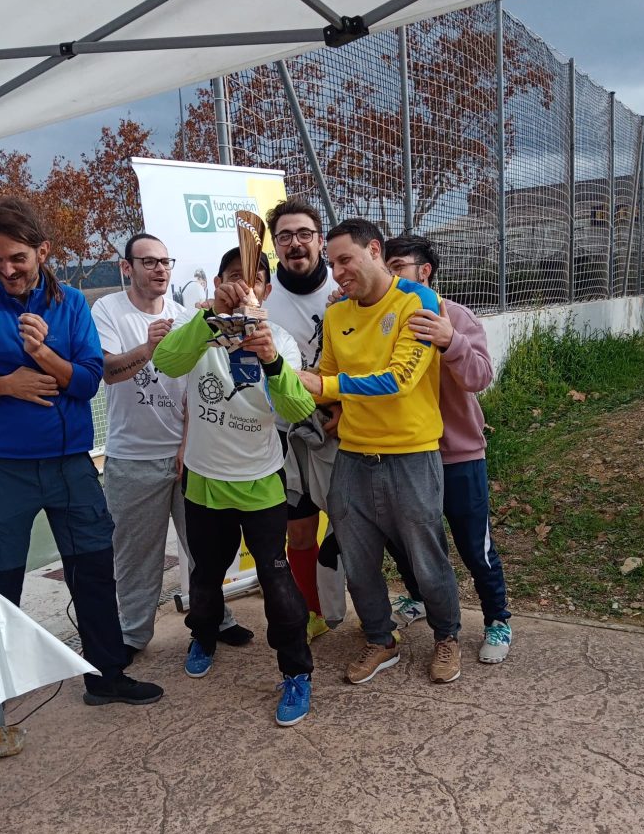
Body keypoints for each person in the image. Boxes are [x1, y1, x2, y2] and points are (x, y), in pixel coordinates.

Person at [0, 196, 162, 706]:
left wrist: (42, 354)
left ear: (42, 251)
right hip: (1, 469)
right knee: (0, 582)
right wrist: (3, 386)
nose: (6, 269)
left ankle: (106, 676)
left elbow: (87, 382)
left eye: (17, 258)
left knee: (93, 568)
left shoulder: (72, 306)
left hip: (68, 464)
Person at [153, 246, 317, 726]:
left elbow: (297, 411)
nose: (243, 286)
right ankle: (202, 635)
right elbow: (166, 360)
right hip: (205, 482)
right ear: (220, 284)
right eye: (232, 278)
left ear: (265, 289)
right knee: (206, 574)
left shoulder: (281, 342)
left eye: (253, 280)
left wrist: (269, 361)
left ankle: (296, 672)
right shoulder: (199, 332)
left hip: (261, 483)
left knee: (275, 577)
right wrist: (209, 320)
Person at [297, 218, 463, 686]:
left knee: (427, 559)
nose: (338, 272)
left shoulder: (418, 302)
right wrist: (287, 381)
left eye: (345, 260)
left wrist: (324, 385)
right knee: (358, 559)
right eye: (332, 264)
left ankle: (446, 636)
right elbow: (324, 374)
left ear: (374, 250)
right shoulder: (337, 315)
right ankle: (380, 638)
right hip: (352, 454)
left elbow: (398, 379)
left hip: (411, 454)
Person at [91, 234, 251, 661]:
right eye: (148, 262)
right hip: (131, 458)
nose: (160, 269)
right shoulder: (107, 310)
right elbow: (108, 372)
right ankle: (133, 634)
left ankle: (215, 620)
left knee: (205, 551)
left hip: (188, 456)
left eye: (165, 261)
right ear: (127, 268)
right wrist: (148, 348)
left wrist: (186, 444)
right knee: (135, 556)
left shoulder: (187, 317)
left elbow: (194, 393)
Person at [384, 234, 512, 663]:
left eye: (397, 266)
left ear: (424, 273)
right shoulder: (380, 319)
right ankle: (419, 598)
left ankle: (497, 619)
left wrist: (449, 339)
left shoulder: (457, 316)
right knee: (408, 542)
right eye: (385, 267)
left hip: (457, 456)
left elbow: (479, 377)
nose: (389, 275)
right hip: (405, 455)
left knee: (475, 546)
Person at [265, 199, 340, 642]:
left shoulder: (342, 287)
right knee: (299, 529)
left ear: (321, 240)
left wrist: (341, 406)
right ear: (275, 246)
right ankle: (310, 611)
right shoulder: (264, 298)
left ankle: (370, 611)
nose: (296, 244)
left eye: (304, 234)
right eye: (285, 236)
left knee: (355, 526)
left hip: (338, 423)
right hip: (284, 429)